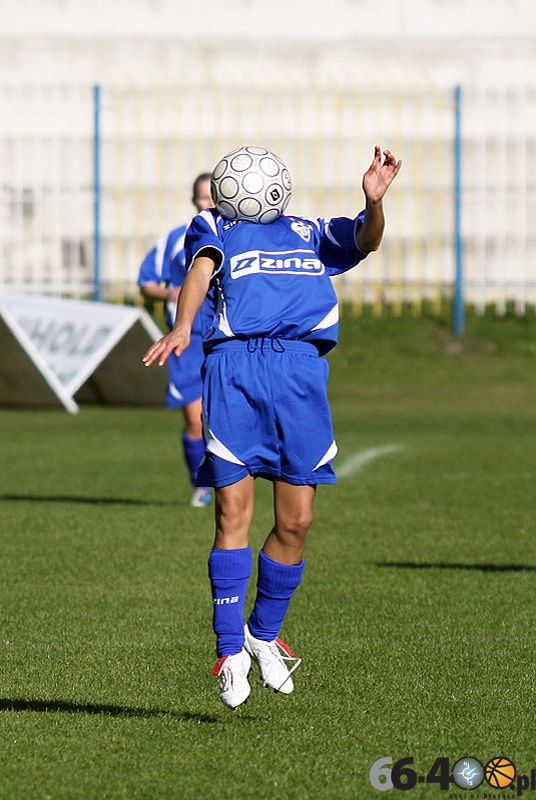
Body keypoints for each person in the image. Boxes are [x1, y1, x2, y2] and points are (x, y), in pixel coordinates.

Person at [143, 145, 402, 708]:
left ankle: (264, 636)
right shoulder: (213, 223)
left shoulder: (309, 230)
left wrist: (373, 202)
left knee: (298, 521)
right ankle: (230, 649)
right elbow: (201, 269)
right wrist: (184, 325)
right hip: (235, 368)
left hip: (300, 371)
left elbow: (366, 239)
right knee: (233, 511)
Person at [138, 173, 214, 508]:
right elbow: (146, 282)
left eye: (214, 197)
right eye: (202, 197)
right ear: (193, 200)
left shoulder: (241, 236)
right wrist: (172, 292)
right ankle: (201, 484)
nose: (208, 203)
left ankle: (233, 479)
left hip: (227, 338)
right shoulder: (175, 239)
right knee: (195, 418)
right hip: (187, 340)